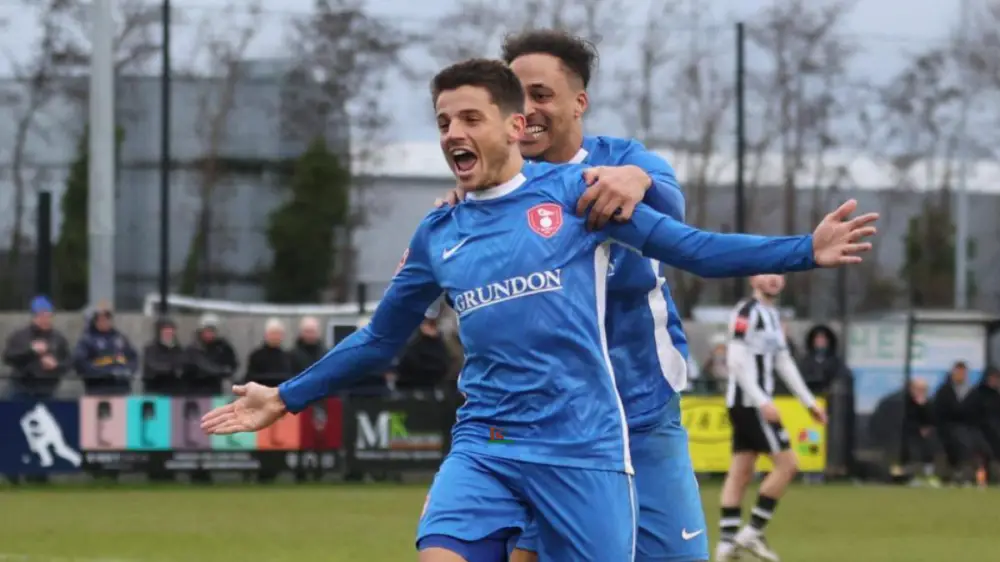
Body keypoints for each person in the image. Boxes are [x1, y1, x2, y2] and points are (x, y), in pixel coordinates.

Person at [200, 59, 876, 562]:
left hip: (584, 449)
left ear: (515, 126)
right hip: (487, 444)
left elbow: (692, 249)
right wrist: (285, 396)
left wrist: (803, 251)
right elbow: (380, 339)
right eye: (442, 122)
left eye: (469, 117)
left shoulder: (580, 200)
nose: (453, 133)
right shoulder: (438, 233)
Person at [430, 31, 698, 561]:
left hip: (642, 413)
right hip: (547, 429)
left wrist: (640, 178)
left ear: (580, 103)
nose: (528, 110)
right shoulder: (491, 193)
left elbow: (672, 201)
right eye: (517, 95)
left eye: (542, 94)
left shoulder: (617, 162)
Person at [715, 275, 827, 562]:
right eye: (767, 273)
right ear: (753, 278)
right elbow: (736, 361)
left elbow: (783, 361)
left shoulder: (774, 317)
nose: (774, 279)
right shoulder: (746, 312)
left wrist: (809, 402)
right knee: (788, 465)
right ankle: (752, 531)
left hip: (751, 403)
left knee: (741, 470)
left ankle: (727, 544)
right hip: (749, 402)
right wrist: (762, 400)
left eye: (778, 274)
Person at [934, 361, 992, 486]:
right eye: (958, 372)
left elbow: (980, 414)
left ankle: (979, 475)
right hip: (949, 428)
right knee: (963, 442)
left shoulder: (973, 393)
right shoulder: (944, 391)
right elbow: (939, 414)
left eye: (963, 373)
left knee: (983, 446)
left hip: (971, 429)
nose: (960, 375)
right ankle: (962, 474)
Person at [2, 296, 71, 398]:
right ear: (34, 317)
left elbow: (68, 362)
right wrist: (31, 351)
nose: (44, 319)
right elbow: (8, 358)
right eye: (40, 316)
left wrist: (56, 365)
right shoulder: (20, 336)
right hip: (21, 388)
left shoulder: (58, 338)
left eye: (47, 315)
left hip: (48, 389)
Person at [73, 303, 139, 395]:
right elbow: (80, 362)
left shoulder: (120, 338)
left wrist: (128, 370)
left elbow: (133, 357)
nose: (105, 322)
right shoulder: (87, 340)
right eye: (101, 319)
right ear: (94, 321)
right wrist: (105, 373)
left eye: (107, 319)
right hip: (97, 388)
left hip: (122, 388)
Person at [184, 313, 239, 396]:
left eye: (212, 331)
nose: (209, 334)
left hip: (217, 390)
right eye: (207, 330)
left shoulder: (223, 348)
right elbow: (193, 369)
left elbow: (232, 365)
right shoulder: (193, 349)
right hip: (195, 391)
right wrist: (220, 370)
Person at [903, 378, 941, 486]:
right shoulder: (906, 403)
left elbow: (932, 420)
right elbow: (907, 420)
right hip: (910, 432)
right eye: (918, 389)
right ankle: (911, 476)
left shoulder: (929, 403)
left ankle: (929, 474)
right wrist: (918, 429)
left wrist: (923, 406)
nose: (920, 392)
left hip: (926, 434)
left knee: (930, 442)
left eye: (923, 389)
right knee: (912, 445)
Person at [142, 317, 187, 395]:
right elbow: (153, 366)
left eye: (171, 329)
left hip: (175, 389)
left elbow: (182, 366)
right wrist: (171, 369)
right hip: (155, 388)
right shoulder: (151, 348)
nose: (168, 332)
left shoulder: (179, 349)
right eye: (165, 330)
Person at [245, 318, 294, 387]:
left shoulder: (287, 356)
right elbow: (250, 379)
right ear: (266, 335)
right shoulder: (256, 356)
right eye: (273, 333)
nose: (275, 337)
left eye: (278, 334)